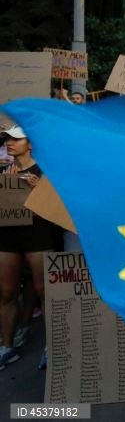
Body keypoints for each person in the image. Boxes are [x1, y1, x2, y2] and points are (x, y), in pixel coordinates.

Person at [0, 126, 61, 370]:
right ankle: (7, 346)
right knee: (7, 292)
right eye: (7, 139)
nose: (10, 143)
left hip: (39, 237)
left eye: (16, 139)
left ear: (31, 144)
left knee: (44, 291)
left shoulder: (46, 171)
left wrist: (40, 190)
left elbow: (60, 210)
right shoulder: (3, 171)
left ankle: (52, 347)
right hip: (7, 238)